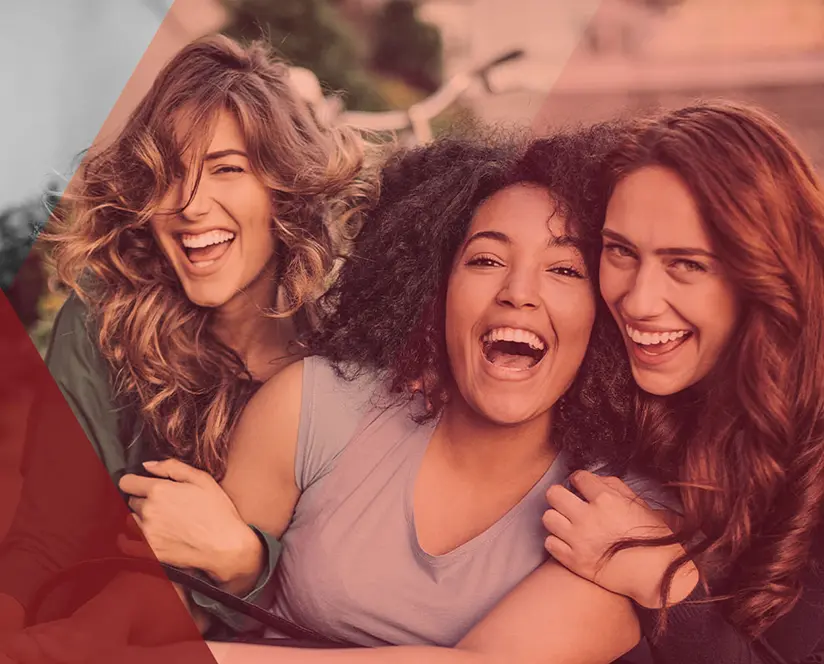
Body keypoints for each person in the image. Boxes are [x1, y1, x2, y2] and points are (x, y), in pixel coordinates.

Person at [117, 127, 666, 663]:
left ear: (607, 313)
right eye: (486, 260)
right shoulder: (315, 407)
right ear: (434, 288)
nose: (519, 292)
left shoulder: (624, 514)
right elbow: (188, 609)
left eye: (565, 269)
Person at [0, 33, 375, 633]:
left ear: (284, 188)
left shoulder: (353, 348)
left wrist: (246, 560)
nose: (191, 205)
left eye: (227, 169)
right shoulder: (103, 321)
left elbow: (363, 588)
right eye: (167, 174)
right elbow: (50, 533)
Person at [541, 101, 824, 664]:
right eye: (621, 251)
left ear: (766, 269)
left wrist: (662, 581)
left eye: (687, 264)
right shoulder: (619, 376)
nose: (638, 301)